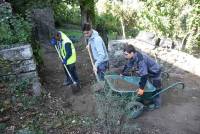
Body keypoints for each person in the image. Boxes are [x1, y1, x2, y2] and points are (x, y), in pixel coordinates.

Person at [121, 44, 162, 109]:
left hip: (155, 71)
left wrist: (141, 89)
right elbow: (128, 65)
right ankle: (146, 98)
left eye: (126, 54)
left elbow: (144, 75)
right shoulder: (132, 57)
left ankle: (157, 104)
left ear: (131, 53)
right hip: (147, 70)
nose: (124, 56)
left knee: (156, 88)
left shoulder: (141, 60)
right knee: (148, 85)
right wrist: (123, 73)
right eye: (124, 54)